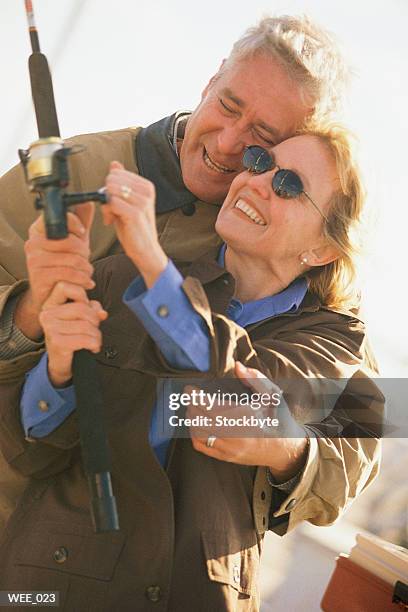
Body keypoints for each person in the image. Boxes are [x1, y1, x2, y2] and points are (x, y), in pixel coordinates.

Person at [0, 125, 382, 610]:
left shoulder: (336, 345)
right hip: (50, 587)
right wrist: (55, 372)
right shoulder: (119, 275)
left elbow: (235, 398)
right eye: (261, 162)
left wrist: (153, 265)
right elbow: (31, 452)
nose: (258, 181)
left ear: (323, 249)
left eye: (289, 185)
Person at [0, 15, 353, 530]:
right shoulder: (75, 168)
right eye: (228, 106)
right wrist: (31, 312)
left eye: (262, 139)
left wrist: (292, 449)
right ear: (210, 82)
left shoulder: (295, 257)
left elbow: (363, 427)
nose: (230, 143)